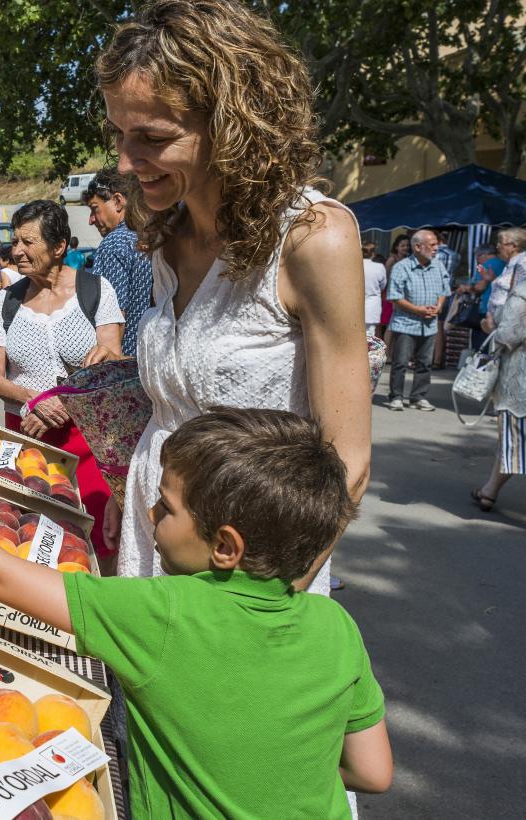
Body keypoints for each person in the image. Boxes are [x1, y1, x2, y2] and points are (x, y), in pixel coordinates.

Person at [0, 408, 392, 817]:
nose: (147, 510)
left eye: (165, 507)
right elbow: (373, 773)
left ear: (226, 546)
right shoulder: (337, 627)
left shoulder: (162, 614)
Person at [97, 0, 372, 600]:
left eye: (152, 137)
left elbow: (345, 465)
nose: (124, 161)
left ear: (231, 126)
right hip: (156, 536)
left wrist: (261, 612)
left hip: (254, 567)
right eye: (119, 134)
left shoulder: (312, 239)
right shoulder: (165, 241)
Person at [0, 200, 124, 566]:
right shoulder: (7, 301)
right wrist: (34, 399)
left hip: (89, 439)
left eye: (28, 242)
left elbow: (110, 360)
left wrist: (65, 400)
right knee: (33, 538)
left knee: (97, 538)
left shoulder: (96, 291)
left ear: (59, 246)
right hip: (28, 437)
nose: (17, 251)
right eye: (16, 242)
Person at [84, 169, 154, 357]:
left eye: (94, 208)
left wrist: (112, 365)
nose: (91, 220)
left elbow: (114, 316)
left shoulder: (113, 244)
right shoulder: (151, 237)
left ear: (117, 201)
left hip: (127, 361)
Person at [472, 271, 526, 510]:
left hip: (519, 384)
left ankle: (489, 492)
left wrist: (489, 325)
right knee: (511, 444)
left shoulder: (522, 292)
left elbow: (508, 335)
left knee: (514, 441)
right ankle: (489, 491)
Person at [385, 229, 449, 412]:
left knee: (424, 363)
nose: (437, 248)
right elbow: (394, 296)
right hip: (406, 323)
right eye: (433, 244)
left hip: (428, 325)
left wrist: (438, 306)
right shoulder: (401, 267)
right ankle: (396, 396)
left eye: (436, 244)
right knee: (400, 362)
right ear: (418, 247)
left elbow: (444, 291)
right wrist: (417, 310)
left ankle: (418, 397)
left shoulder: (438, 266)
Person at [363, 242, 388, 338]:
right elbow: (383, 285)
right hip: (372, 306)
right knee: (369, 336)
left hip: (354, 306)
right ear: (373, 253)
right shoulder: (379, 267)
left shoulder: (352, 265)